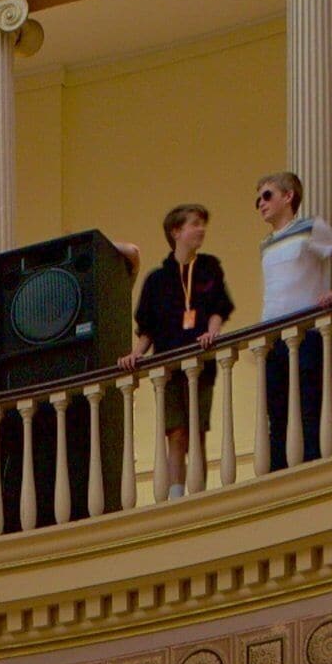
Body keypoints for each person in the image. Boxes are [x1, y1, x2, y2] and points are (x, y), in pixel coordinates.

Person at [134, 205, 232, 499]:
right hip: (169, 367)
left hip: (200, 364)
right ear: (176, 231)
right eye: (194, 224)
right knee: (175, 433)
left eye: (203, 223)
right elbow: (147, 327)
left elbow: (219, 307)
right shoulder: (156, 280)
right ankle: (176, 495)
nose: (201, 229)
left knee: (197, 430)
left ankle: (197, 493)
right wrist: (136, 353)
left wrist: (212, 332)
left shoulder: (209, 267)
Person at [251, 170, 332, 472]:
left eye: (267, 195)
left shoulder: (311, 228)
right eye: (258, 199)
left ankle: (312, 466)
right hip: (274, 334)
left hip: (306, 332)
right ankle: (279, 471)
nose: (261, 203)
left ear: (288, 196)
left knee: (308, 402)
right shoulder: (265, 244)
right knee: (276, 410)